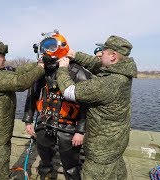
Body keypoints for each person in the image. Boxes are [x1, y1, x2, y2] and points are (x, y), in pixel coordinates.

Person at [57, 35, 137, 180]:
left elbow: (70, 91)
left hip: (101, 150)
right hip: (116, 144)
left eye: (104, 52)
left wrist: (62, 69)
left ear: (113, 56)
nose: (100, 55)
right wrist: (75, 55)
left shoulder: (110, 83)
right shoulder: (121, 71)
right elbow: (96, 63)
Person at [22, 30, 90, 180]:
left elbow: (87, 105)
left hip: (69, 127)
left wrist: (81, 131)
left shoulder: (78, 72)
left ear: (62, 47)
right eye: (44, 46)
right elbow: (32, 95)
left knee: (71, 166)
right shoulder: (42, 71)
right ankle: (44, 176)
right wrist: (28, 120)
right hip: (44, 123)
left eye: (51, 46)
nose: (47, 51)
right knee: (44, 161)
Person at [0, 37, 45, 180]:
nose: (5, 59)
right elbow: (20, 82)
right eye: (2, 56)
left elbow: (18, 71)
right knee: (0, 156)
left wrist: (37, 63)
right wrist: (40, 69)